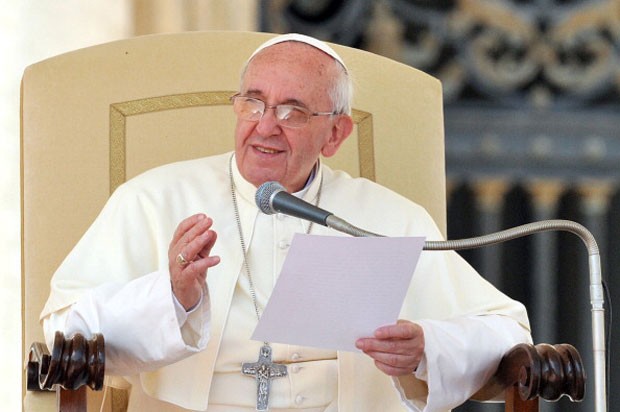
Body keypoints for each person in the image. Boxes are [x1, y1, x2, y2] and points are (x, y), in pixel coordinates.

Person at [41, 33, 531, 412]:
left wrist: (427, 347)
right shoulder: (154, 198)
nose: (266, 124)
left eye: (292, 111)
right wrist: (170, 297)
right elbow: (64, 329)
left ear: (335, 133)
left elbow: (506, 332)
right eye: (253, 103)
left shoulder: (387, 217)